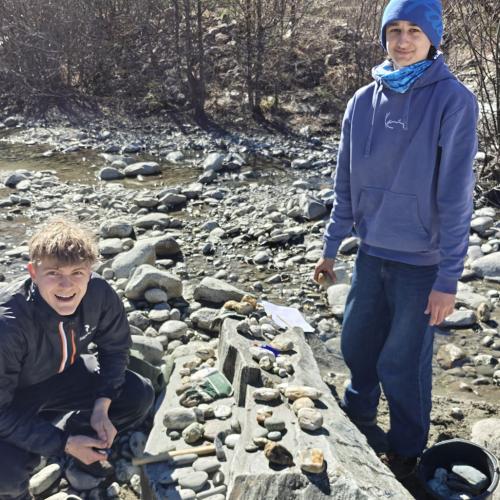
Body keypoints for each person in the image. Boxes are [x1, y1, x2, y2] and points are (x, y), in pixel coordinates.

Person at [314, 0, 478, 479]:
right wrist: (330, 247)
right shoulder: (362, 101)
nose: (403, 41)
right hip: (371, 254)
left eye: (414, 31)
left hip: (421, 264)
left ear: (433, 39)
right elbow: (345, 183)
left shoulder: (454, 100)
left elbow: (456, 196)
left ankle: (406, 451)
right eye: (394, 30)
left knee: (403, 362)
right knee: (357, 346)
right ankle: (358, 421)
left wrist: (448, 279)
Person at [0, 219, 155, 499]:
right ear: (33, 272)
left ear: (90, 271)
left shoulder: (99, 294)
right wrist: (63, 443)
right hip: (14, 397)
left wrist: (101, 406)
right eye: (53, 273)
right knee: (5, 476)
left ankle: (80, 441)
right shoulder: (8, 322)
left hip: (67, 374)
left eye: (77, 272)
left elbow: (115, 349)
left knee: (138, 394)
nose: (66, 285)